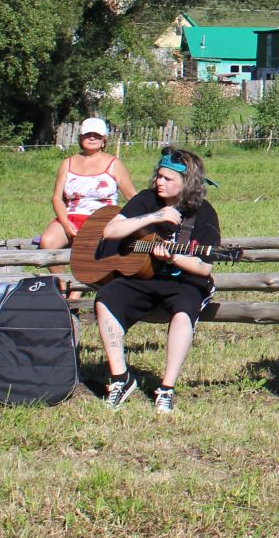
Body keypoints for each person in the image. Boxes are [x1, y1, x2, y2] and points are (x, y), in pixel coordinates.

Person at [91, 146, 220, 413]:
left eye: (168, 178)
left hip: (184, 280)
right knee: (106, 298)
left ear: (187, 183)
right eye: (158, 176)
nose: (159, 182)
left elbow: (204, 267)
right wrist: (154, 216)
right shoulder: (146, 200)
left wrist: (172, 257)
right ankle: (120, 378)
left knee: (184, 312)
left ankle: (166, 388)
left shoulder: (204, 213)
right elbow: (111, 230)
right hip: (143, 276)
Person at [39, 116, 134, 269]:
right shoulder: (67, 163)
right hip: (71, 215)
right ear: (81, 137)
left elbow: (132, 196)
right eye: (88, 134)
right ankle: (62, 284)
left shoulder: (114, 164)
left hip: (103, 218)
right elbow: (57, 198)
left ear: (104, 139)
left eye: (97, 135)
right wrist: (65, 223)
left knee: (89, 245)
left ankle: (79, 288)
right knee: (47, 241)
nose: (92, 138)